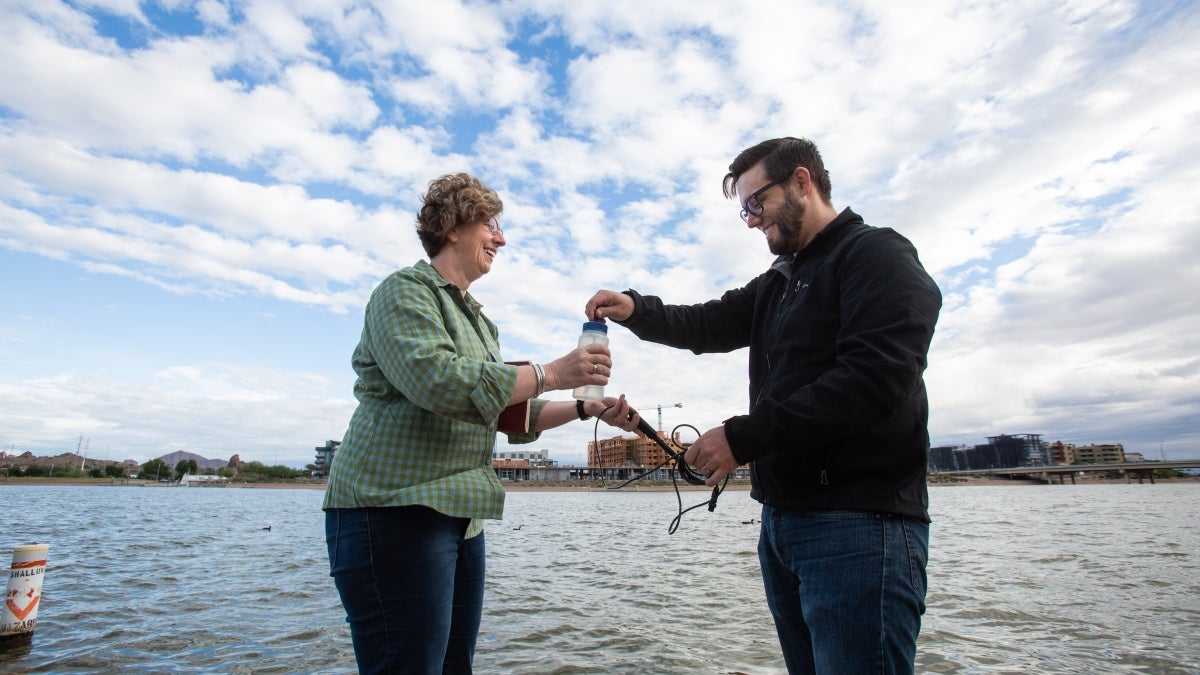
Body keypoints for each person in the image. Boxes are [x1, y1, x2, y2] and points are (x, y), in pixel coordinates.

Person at [585, 137, 942, 674]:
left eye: (757, 202)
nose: (751, 220)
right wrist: (637, 310)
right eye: (744, 210)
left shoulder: (877, 255)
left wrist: (741, 437)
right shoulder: (781, 280)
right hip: (783, 523)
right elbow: (709, 321)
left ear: (802, 181)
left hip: (862, 527)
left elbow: (874, 380)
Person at [324, 172, 643, 675]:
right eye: (490, 224)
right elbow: (440, 382)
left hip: (459, 518)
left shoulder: (479, 321)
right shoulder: (403, 292)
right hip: (390, 512)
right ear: (453, 227)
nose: (501, 237)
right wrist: (555, 373)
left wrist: (588, 408)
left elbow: (506, 410)